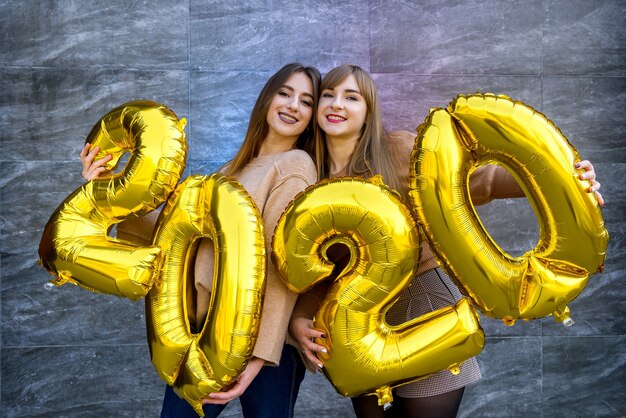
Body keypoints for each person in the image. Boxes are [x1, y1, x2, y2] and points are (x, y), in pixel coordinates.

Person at [289, 64, 604, 418]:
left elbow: (482, 181)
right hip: (356, 323)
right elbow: (319, 275)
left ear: (368, 110)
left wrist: (568, 179)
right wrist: (300, 319)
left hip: (426, 302)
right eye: (328, 95)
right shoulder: (306, 178)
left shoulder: (397, 149)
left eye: (351, 97)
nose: (337, 104)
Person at [81, 63, 321, 418]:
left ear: (312, 116)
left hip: (264, 347)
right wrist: (109, 188)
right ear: (268, 98)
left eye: (306, 101)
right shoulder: (230, 169)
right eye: (285, 93)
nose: (292, 106)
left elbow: (279, 266)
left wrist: (257, 358)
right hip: (203, 335)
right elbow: (168, 234)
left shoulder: (295, 167)